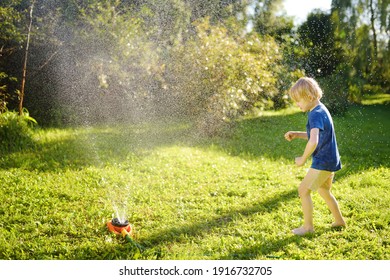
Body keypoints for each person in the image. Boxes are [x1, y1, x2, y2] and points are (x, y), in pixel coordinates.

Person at [284, 77, 346, 236]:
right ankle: (340, 221)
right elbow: (317, 135)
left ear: (310, 98)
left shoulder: (314, 115)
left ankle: (308, 227)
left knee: (303, 190)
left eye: (298, 101)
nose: (297, 104)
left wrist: (302, 159)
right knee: (324, 191)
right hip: (331, 160)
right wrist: (297, 134)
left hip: (323, 162)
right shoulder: (321, 109)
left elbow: (314, 141)